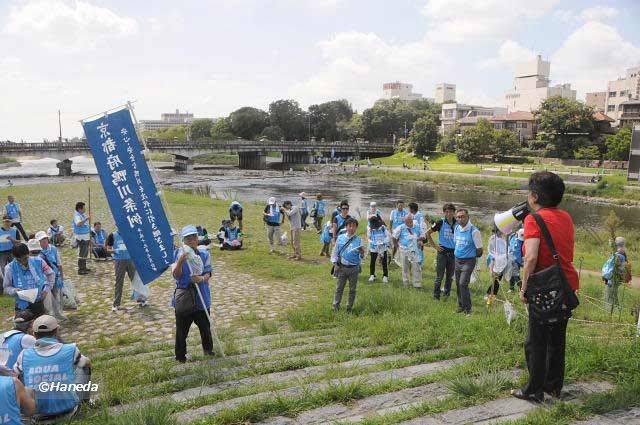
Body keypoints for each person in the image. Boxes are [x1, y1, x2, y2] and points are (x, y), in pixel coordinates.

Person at [511, 171, 579, 403]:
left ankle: (534, 390)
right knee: (557, 341)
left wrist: (524, 288)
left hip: (543, 288)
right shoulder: (567, 217)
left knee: (535, 341)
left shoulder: (533, 220)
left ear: (535, 196)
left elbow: (530, 258)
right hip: (566, 284)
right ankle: (553, 387)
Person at [14, 315, 91, 419]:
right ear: (57, 331)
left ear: (34, 334)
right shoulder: (71, 349)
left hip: (37, 413)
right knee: (84, 366)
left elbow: (14, 377)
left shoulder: (24, 355)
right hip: (68, 410)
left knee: (19, 375)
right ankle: (85, 404)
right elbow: (87, 363)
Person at [171, 225, 214, 363]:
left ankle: (208, 351)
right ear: (183, 240)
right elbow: (176, 276)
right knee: (181, 331)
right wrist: (180, 262)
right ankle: (180, 357)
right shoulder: (178, 253)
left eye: (193, 237)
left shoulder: (204, 254)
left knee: (205, 328)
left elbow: (208, 273)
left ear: (197, 238)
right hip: (184, 297)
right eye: (188, 238)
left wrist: (201, 278)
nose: (191, 240)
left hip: (202, 297)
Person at [3, 244, 54, 317]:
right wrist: (14, 290)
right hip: (21, 304)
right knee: (23, 325)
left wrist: (46, 290)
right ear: (14, 257)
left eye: (25, 259)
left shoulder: (39, 261)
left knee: (40, 324)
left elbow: (51, 274)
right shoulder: (9, 268)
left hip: (38, 300)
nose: (22, 262)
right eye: (18, 260)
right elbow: (6, 287)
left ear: (29, 253)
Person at [453, 208, 483, 315]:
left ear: (467, 217)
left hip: (468, 261)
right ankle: (460, 305)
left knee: (462, 284)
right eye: (458, 217)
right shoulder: (457, 228)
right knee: (457, 283)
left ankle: (468, 309)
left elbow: (480, 250)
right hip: (457, 260)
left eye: (462, 216)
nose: (460, 219)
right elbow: (456, 243)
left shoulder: (474, 231)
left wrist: (470, 257)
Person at [331, 218, 364, 312]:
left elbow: (362, 257)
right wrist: (335, 264)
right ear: (346, 227)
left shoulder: (359, 240)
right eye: (350, 226)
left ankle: (349, 308)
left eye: (354, 226)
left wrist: (362, 252)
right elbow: (335, 252)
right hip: (342, 267)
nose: (351, 228)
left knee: (352, 289)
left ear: (356, 227)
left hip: (354, 268)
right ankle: (335, 307)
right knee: (339, 288)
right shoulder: (340, 238)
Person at [427, 203, 456, 300]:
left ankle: (446, 295)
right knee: (439, 276)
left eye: (450, 212)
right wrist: (434, 246)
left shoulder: (458, 223)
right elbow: (427, 233)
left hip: (453, 253)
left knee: (450, 276)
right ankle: (436, 296)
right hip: (442, 253)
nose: (448, 214)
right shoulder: (440, 222)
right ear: (444, 213)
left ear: (454, 212)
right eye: (446, 212)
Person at [35, 232, 67, 321]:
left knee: (57, 296)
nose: (44, 241)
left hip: (56, 277)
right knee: (48, 300)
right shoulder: (36, 252)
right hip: (44, 280)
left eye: (45, 239)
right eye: (42, 240)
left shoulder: (53, 249)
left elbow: (59, 263)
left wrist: (61, 276)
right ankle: (49, 317)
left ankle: (58, 314)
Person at [105, 229, 137, 312]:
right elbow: (108, 249)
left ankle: (140, 299)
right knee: (119, 282)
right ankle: (116, 304)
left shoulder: (129, 233)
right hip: (119, 261)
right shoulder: (112, 235)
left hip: (130, 260)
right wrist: (115, 250)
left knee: (135, 280)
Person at [393, 215, 425, 288]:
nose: (409, 223)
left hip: (414, 250)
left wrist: (417, 239)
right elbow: (394, 237)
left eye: (410, 221)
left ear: (412, 220)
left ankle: (417, 284)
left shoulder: (417, 226)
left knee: (416, 267)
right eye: (407, 222)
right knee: (405, 267)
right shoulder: (401, 227)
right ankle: (406, 283)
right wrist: (396, 246)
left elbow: (423, 236)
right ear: (404, 221)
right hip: (404, 250)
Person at [602, 236, 632, 310]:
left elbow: (612, 267)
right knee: (613, 294)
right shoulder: (621, 253)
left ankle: (612, 309)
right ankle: (614, 308)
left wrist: (605, 276)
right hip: (615, 278)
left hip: (613, 279)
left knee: (611, 294)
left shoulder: (618, 255)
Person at [485, 227, 507, 305]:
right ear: (497, 230)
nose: (502, 231)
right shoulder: (493, 238)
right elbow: (491, 250)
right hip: (494, 260)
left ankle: (493, 294)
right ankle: (489, 294)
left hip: (501, 261)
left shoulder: (502, 238)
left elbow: (504, 250)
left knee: (498, 279)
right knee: (495, 278)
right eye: (500, 230)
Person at [0, 215, 20, 294]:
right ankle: (7, 285)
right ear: (3, 222)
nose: (7, 223)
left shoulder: (15, 230)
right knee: (3, 268)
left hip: (12, 251)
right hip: (1, 253)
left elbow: (19, 242)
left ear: (11, 222)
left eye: (8, 221)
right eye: (6, 221)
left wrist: (12, 239)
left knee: (14, 267)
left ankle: (15, 283)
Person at [367, 216, 390, 283]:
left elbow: (388, 236)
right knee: (372, 261)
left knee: (384, 261)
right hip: (374, 247)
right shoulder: (370, 229)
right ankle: (372, 275)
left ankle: (385, 276)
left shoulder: (383, 228)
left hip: (382, 247)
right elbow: (369, 238)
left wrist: (383, 242)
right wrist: (372, 242)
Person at [72, 202, 91, 275]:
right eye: (84, 208)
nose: (85, 209)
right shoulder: (77, 216)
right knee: (82, 253)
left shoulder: (81, 214)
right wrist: (86, 219)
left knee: (85, 253)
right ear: (80, 209)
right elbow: (78, 224)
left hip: (85, 236)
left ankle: (84, 267)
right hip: (81, 237)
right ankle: (81, 269)